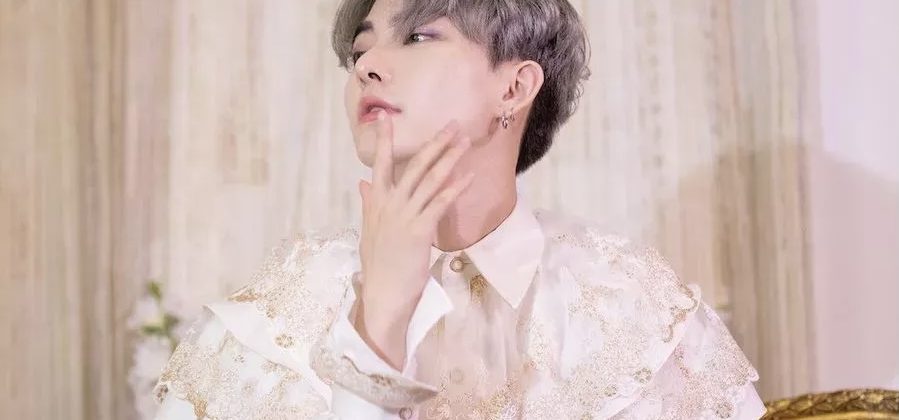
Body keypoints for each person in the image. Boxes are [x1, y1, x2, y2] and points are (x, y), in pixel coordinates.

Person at [152, 0, 766, 418]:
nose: (367, 65)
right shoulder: (276, 315)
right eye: (359, 49)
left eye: (419, 36)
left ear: (515, 87)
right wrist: (378, 325)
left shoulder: (633, 312)